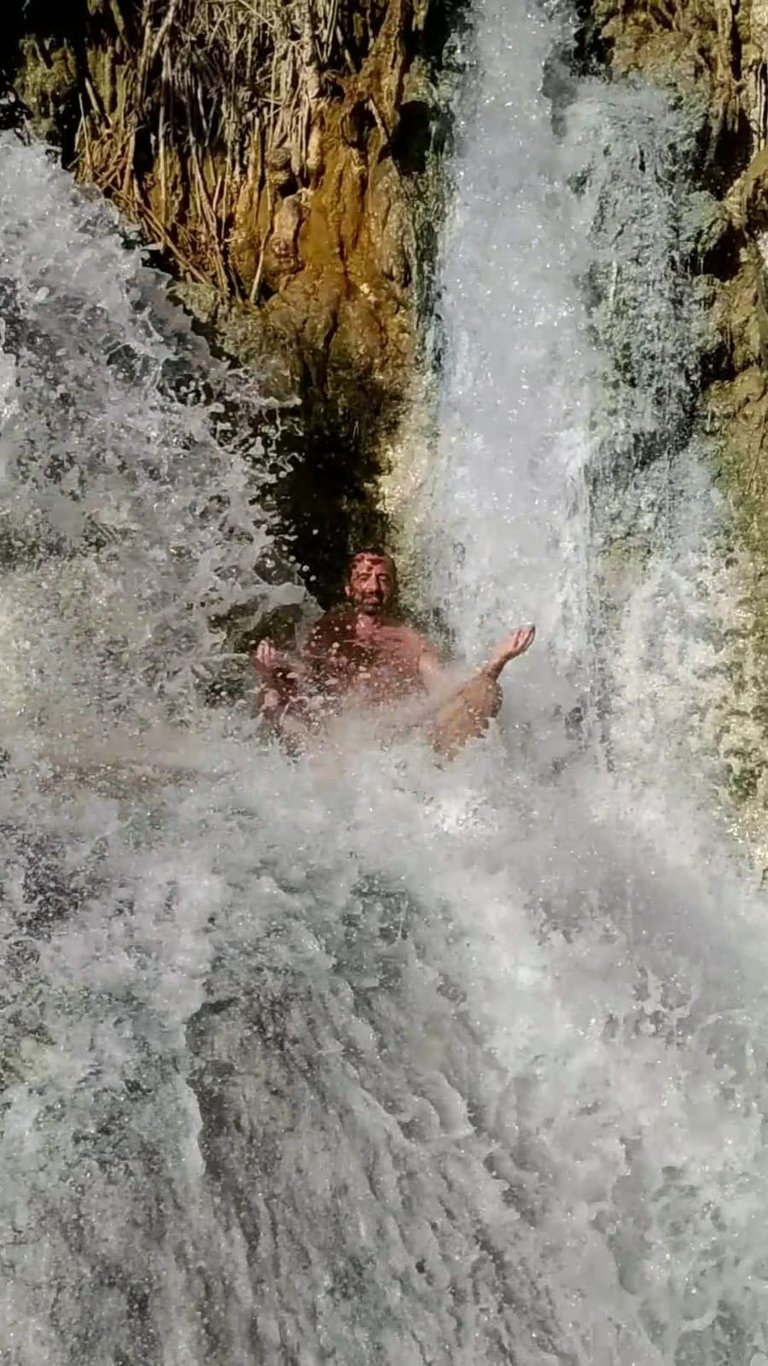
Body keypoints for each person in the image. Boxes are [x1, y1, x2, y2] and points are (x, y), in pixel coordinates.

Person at [251, 550, 535, 759]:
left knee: (486, 690)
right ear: (349, 588)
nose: (373, 587)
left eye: (383, 579)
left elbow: (449, 691)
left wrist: (497, 662)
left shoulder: (410, 642)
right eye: (364, 578)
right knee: (269, 693)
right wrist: (272, 669)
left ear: (393, 589)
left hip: (392, 746)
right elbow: (301, 681)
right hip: (330, 743)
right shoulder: (326, 631)